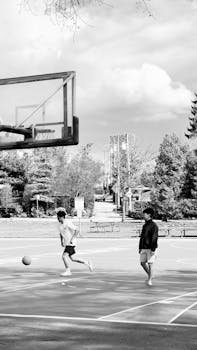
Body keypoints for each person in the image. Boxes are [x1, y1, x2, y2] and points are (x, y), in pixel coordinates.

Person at [57, 209, 93, 276]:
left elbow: (77, 230)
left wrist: (72, 239)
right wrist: (61, 241)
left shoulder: (67, 223)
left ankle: (68, 271)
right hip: (67, 243)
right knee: (73, 258)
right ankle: (87, 263)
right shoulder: (59, 225)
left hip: (71, 243)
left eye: (58, 217)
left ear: (62, 217)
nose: (57, 218)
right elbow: (60, 233)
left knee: (64, 256)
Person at [139, 208, 158, 286]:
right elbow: (142, 237)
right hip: (143, 247)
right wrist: (140, 247)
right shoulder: (145, 225)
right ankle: (150, 275)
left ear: (149, 215)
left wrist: (153, 249)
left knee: (150, 264)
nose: (143, 215)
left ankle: (149, 279)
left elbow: (154, 237)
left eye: (144, 214)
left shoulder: (154, 226)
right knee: (142, 263)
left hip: (150, 248)